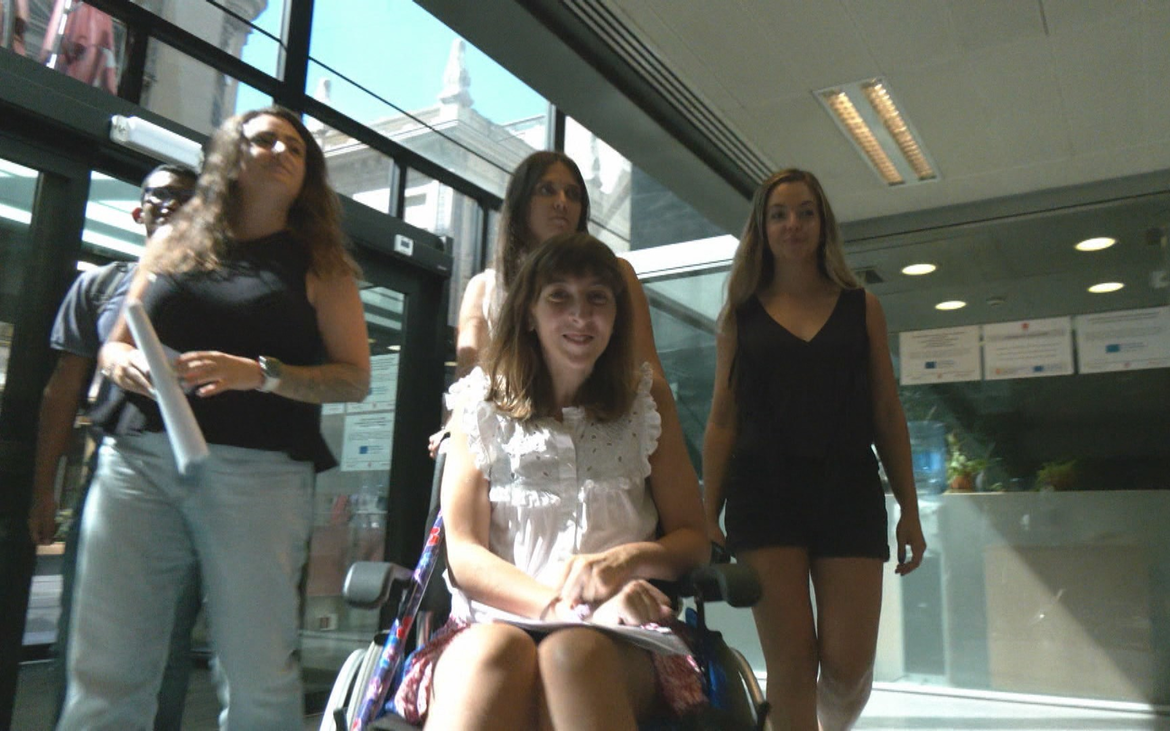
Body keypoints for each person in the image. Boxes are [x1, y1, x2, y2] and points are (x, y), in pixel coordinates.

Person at [57, 106, 371, 730]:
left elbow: (353, 378)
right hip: (138, 460)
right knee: (106, 667)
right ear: (230, 155)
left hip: (258, 474)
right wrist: (125, 363)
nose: (281, 151)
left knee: (258, 670)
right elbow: (114, 345)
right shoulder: (173, 241)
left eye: (296, 148)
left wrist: (259, 373)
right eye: (264, 140)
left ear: (307, 176)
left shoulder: (322, 266)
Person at [393, 232, 710, 729]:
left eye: (597, 298)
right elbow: (466, 555)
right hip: (490, 621)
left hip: (620, 634)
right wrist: (568, 608)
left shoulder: (647, 405)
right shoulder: (478, 404)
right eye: (559, 296)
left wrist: (626, 562)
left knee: (573, 656)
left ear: (617, 316)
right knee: (491, 655)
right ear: (528, 314)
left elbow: (694, 540)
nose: (580, 315)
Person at [701, 169, 927, 731]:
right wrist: (706, 516)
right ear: (762, 227)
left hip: (848, 493)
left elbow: (887, 412)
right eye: (779, 214)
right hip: (763, 496)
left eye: (805, 212)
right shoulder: (739, 315)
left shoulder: (862, 307)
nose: (793, 224)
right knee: (791, 666)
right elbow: (723, 421)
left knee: (849, 672)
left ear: (823, 223)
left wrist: (910, 509)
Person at [28, 163, 199, 730]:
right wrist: (45, 490)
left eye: (188, 196)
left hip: (196, 482)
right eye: (161, 195)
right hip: (116, 474)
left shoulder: (222, 291)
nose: (173, 204)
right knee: (86, 634)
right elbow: (63, 391)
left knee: (168, 637)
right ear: (138, 211)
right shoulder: (101, 285)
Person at [428, 151, 693, 495]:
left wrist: (664, 443)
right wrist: (453, 432)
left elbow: (647, 369)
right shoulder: (486, 288)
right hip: (516, 457)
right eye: (547, 190)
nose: (561, 202)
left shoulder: (617, 274)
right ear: (521, 202)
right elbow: (469, 386)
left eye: (573, 194)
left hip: (600, 443)